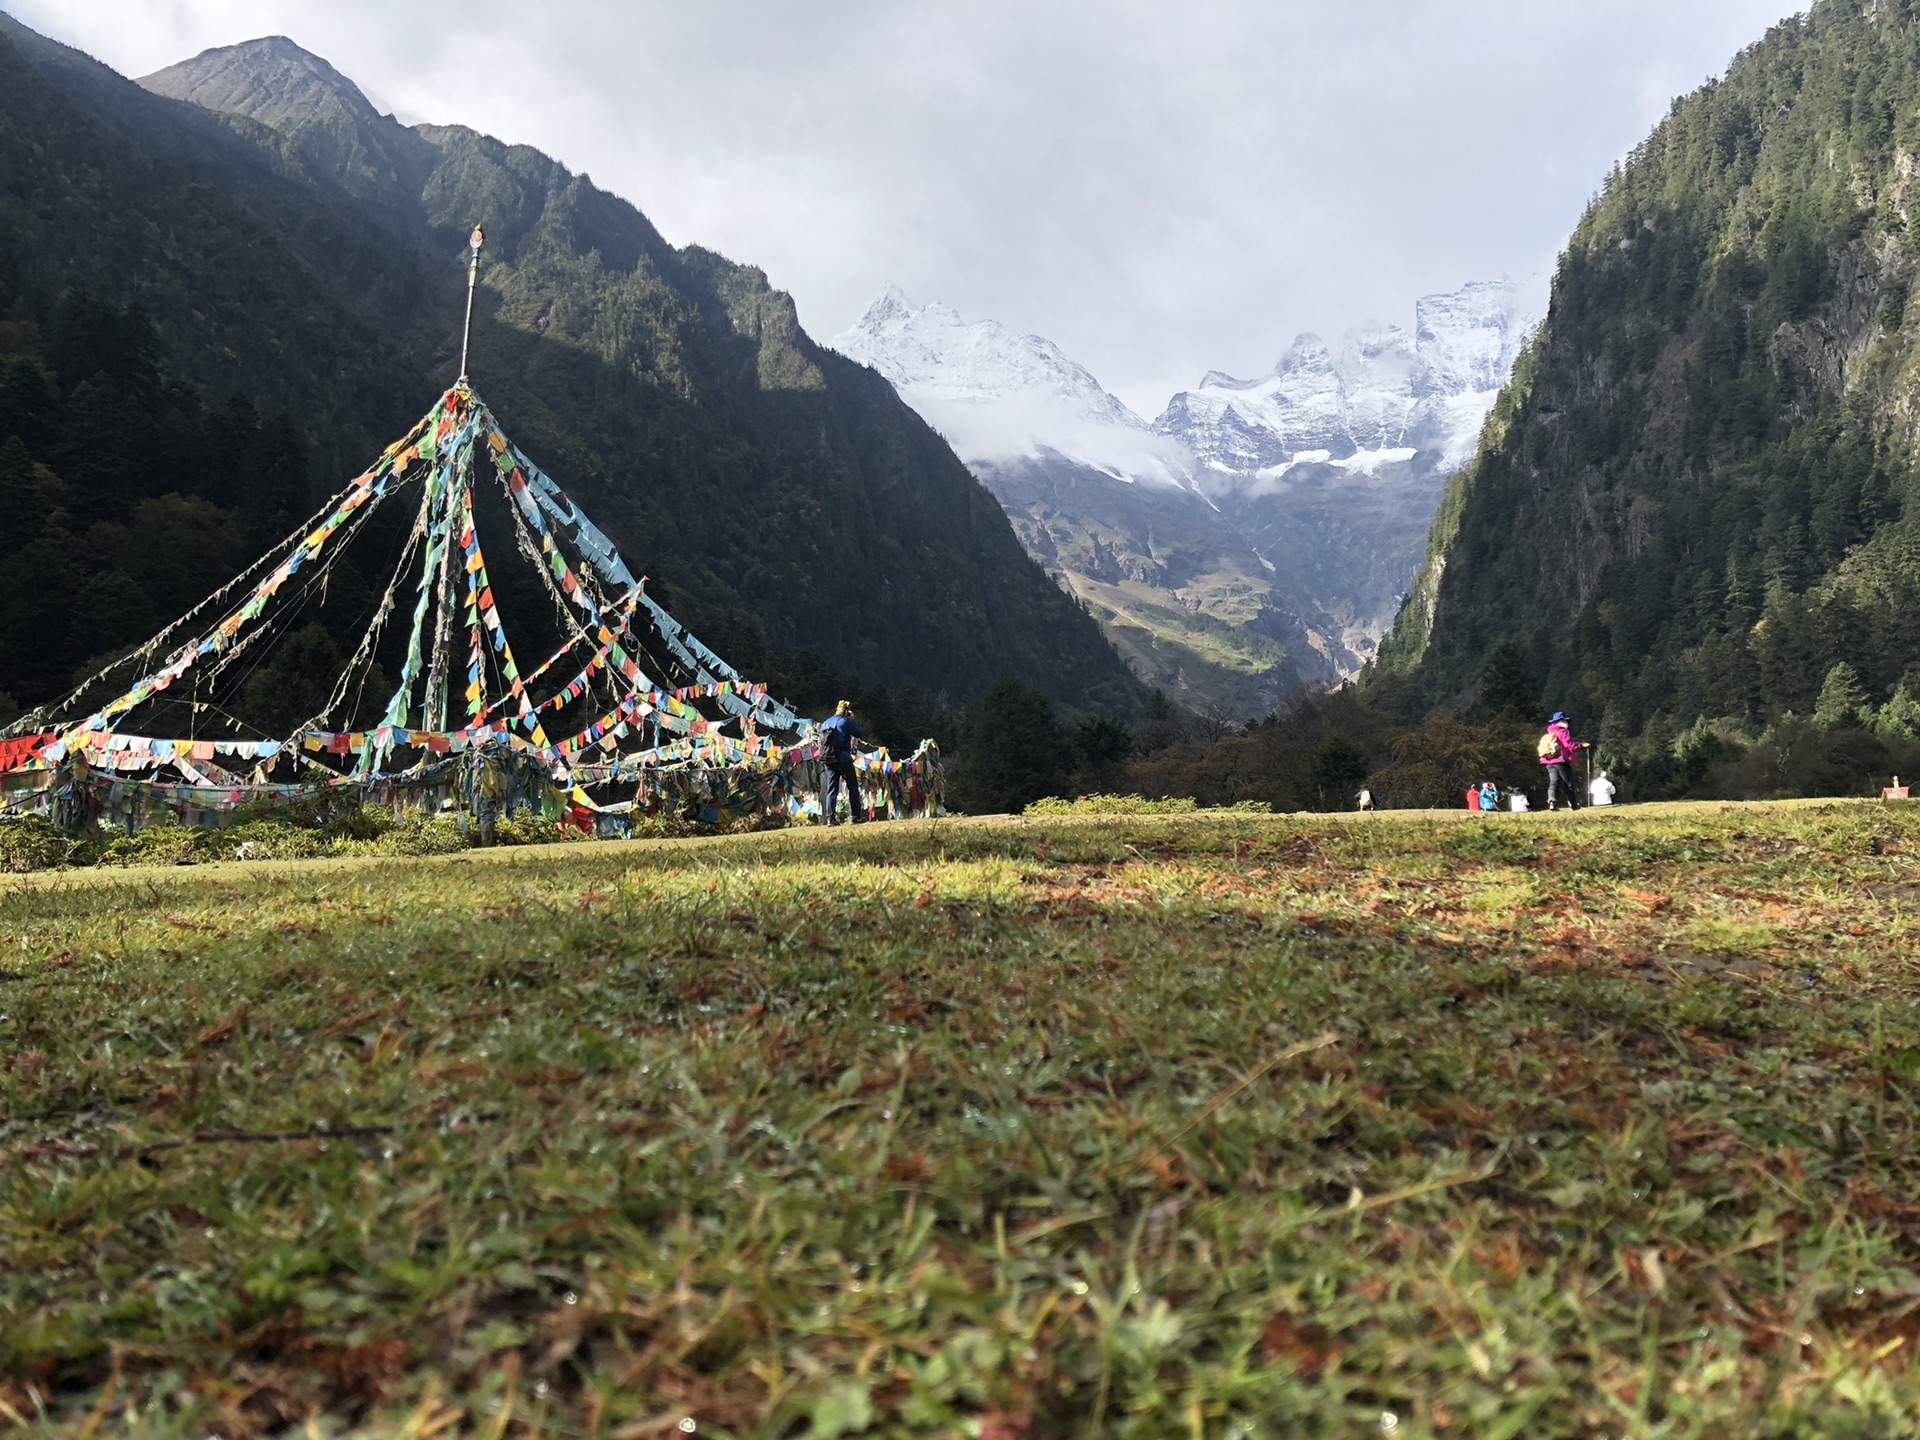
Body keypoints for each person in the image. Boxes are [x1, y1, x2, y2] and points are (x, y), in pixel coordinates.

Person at [818, 700, 866, 826]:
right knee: (852, 786)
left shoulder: (825, 723)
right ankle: (855, 816)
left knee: (832, 789)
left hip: (828, 759)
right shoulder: (845, 721)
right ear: (846, 711)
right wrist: (851, 720)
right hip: (843, 758)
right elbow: (859, 733)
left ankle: (830, 818)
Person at [1539, 711, 1586, 811]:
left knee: (1553, 783)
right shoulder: (1563, 732)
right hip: (1561, 761)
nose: (1566, 722)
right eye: (1564, 720)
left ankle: (1552, 801)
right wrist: (1581, 745)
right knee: (1568, 783)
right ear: (1560, 722)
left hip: (1548, 761)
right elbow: (1568, 745)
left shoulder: (1550, 732)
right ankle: (1573, 804)